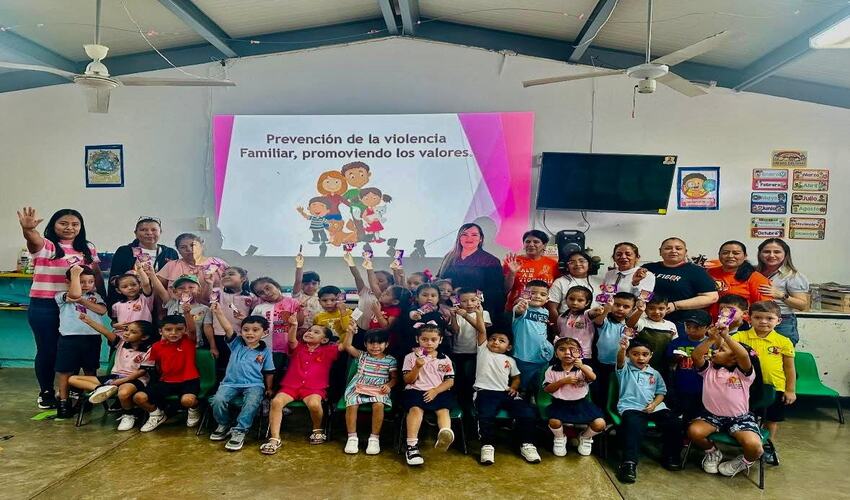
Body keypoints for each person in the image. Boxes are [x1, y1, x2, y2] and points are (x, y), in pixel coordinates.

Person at [18, 206, 103, 409]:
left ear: (81, 227)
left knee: (73, 349)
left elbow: (96, 275)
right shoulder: (47, 245)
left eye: (75, 224)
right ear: (53, 225)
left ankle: (71, 389)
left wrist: (101, 299)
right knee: (48, 349)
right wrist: (28, 230)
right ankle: (46, 391)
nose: (69, 228)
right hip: (45, 305)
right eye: (63, 223)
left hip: (75, 306)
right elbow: (33, 240)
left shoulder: (87, 248)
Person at [688, 324, 764, 478]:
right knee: (694, 432)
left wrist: (727, 337)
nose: (715, 351)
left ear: (734, 357)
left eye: (721, 350)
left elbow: (743, 356)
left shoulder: (744, 374)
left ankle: (744, 462)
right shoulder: (708, 370)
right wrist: (711, 339)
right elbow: (696, 356)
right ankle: (713, 452)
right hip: (712, 416)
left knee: (754, 446)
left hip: (740, 417)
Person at [731, 301, 795, 464]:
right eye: (758, 317)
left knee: (771, 419)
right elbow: (723, 347)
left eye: (769, 318)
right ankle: (748, 443)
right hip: (744, 388)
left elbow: (789, 369)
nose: (763, 321)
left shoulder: (783, 341)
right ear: (749, 319)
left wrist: (790, 390)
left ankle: (767, 445)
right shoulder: (739, 337)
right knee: (746, 416)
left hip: (775, 388)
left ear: (778, 321)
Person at [262, 320, 339, 454]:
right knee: (276, 402)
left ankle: (317, 429)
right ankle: (274, 438)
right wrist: (294, 326)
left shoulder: (329, 351)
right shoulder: (299, 347)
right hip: (291, 386)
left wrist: (349, 331)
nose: (310, 333)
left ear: (325, 339)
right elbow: (291, 340)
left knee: (315, 404)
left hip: (314, 388)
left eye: (316, 332)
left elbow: (345, 345)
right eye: (309, 330)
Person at [209, 306, 275, 452]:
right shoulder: (236, 344)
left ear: (264, 333)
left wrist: (269, 388)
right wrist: (219, 312)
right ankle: (224, 424)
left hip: (254, 385)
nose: (250, 333)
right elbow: (227, 327)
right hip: (230, 383)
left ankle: (239, 431)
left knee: (251, 403)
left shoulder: (265, 351)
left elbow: (269, 372)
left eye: (255, 330)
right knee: (217, 400)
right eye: (246, 329)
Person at [614, 337, 680, 483]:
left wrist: (655, 404)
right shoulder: (624, 369)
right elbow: (619, 360)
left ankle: (670, 456)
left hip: (654, 407)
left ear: (651, 355)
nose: (640, 357)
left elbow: (661, 392)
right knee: (634, 426)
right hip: (631, 406)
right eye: (635, 354)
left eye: (645, 354)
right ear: (629, 355)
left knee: (673, 422)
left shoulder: (655, 373)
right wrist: (623, 349)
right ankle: (628, 464)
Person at [71, 318, 154, 431]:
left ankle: (128, 415)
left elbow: (142, 372)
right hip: (114, 377)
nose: (127, 333)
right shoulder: (121, 343)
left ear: (144, 337)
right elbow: (104, 331)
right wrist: (88, 320)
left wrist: (122, 381)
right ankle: (102, 389)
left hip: (134, 379)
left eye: (133, 332)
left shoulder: (150, 350)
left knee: (123, 393)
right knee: (72, 379)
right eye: (127, 330)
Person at [474, 328, 540, 465]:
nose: (495, 342)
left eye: (501, 341)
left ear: (509, 347)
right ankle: (487, 445)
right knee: (486, 415)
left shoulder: (510, 360)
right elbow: (481, 331)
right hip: (485, 392)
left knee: (527, 412)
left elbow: (516, 377)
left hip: (504, 392)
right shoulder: (483, 352)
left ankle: (527, 444)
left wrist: (514, 387)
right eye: (492, 339)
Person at [54, 265, 108, 418]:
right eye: (82, 281)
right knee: (65, 371)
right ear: (69, 281)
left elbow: (102, 310)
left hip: (92, 338)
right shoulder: (61, 295)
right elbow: (74, 294)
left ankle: (87, 399)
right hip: (69, 339)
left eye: (90, 281)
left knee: (90, 369)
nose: (87, 285)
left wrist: (83, 300)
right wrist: (75, 275)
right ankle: (63, 402)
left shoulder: (96, 296)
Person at [400, 323, 457, 466]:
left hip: (438, 391)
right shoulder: (410, 357)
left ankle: (445, 433)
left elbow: (450, 381)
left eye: (433, 339)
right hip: (415, 390)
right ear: (417, 339)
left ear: (440, 340)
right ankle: (412, 447)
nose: (429, 343)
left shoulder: (444, 359)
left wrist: (435, 391)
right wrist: (417, 367)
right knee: (415, 410)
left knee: (443, 410)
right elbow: (408, 380)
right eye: (424, 339)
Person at [135, 315, 201, 432]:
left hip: (188, 380)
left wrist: (187, 312)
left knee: (187, 401)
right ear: (161, 331)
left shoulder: (188, 341)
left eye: (179, 329)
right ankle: (156, 415)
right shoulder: (156, 346)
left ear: (184, 330)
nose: (174, 333)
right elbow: (158, 366)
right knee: (139, 397)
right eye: (168, 329)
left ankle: (194, 409)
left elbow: (192, 330)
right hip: (166, 381)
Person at [340, 325, 398, 455]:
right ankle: (352, 437)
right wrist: (350, 332)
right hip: (358, 386)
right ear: (366, 344)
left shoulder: (390, 360)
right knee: (352, 403)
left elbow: (394, 378)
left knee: (378, 404)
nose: (375, 346)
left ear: (387, 344)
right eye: (371, 343)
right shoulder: (362, 356)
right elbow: (348, 346)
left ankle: (374, 438)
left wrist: (389, 385)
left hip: (379, 388)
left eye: (379, 343)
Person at [664, 310, 712, 466]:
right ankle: (675, 451)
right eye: (688, 326)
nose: (691, 330)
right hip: (680, 388)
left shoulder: (713, 344)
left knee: (695, 420)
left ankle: (696, 444)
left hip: (703, 391)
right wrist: (675, 358)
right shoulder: (677, 342)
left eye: (696, 327)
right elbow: (668, 362)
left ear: (707, 327)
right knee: (677, 420)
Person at [544, 337, 606, 457]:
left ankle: (585, 437)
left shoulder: (584, 368)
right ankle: (560, 438)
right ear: (556, 354)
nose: (567, 353)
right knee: (554, 421)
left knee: (600, 424)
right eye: (562, 349)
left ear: (579, 353)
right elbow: (547, 389)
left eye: (572, 350)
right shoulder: (551, 370)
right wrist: (563, 381)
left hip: (581, 404)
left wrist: (582, 367)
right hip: (560, 403)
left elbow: (593, 378)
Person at [641, 237, 718, 332]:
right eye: (668, 248)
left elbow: (711, 297)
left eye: (678, 248)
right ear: (660, 251)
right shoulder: (648, 268)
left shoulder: (696, 271)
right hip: (646, 321)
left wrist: (676, 305)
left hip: (681, 323)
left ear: (685, 252)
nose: (673, 251)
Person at [437, 223, 506, 319]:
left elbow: (496, 291)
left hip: (476, 311)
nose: (469, 238)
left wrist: (469, 297)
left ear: (481, 238)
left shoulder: (490, 261)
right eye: (464, 234)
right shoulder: (449, 257)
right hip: (449, 310)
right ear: (459, 238)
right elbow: (439, 281)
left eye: (474, 235)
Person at [107, 217, 178, 305]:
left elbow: (175, 281)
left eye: (154, 230)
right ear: (135, 233)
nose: (149, 233)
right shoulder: (124, 251)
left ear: (160, 232)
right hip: (132, 303)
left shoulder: (170, 252)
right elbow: (114, 278)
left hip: (161, 302)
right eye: (143, 230)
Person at [590, 292, 641, 408]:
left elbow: (632, 324)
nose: (620, 309)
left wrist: (640, 311)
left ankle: (614, 415)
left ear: (632, 309)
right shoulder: (606, 321)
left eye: (626, 306)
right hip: (601, 364)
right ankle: (600, 416)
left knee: (617, 392)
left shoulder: (630, 326)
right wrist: (607, 308)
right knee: (600, 392)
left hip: (621, 365)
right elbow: (598, 321)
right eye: (617, 305)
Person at [756, 238, 810, 345]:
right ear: (760, 254)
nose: (771, 255)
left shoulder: (792, 276)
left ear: (785, 254)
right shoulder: (755, 272)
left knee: (780, 355)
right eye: (766, 252)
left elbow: (803, 305)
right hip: (757, 319)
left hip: (782, 322)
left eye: (777, 252)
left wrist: (781, 295)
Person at [250, 277, 301, 388]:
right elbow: (252, 327)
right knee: (269, 373)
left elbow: (300, 323)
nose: (266, 293)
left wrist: (301, 310)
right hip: (266, 348)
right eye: (261, 293)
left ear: (277, 286)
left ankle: (282, 397)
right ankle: (267, 396)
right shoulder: (259, 308)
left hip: (288, 347)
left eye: (268, 288)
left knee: (287, 375)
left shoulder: (293, 302)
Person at [207, 267, 254, 379]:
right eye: (223, 275)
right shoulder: (217, 292)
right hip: (220, 336)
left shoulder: (251, 297)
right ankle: (222, 388)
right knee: (222, 365)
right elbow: (210, 297)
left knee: (240, 364)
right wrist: (210, 283)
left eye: (231, 274)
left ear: (243, 278)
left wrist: (245, 318)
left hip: (242, 337)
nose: (226, 276)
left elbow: (255, 320)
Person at [449, 287, 492, 410]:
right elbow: (455, 331)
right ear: (458, 301)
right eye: (464, 301)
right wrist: (453, 317)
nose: (469, 304)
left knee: (472, 377)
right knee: (459, 377)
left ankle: (471, 403)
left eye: (473, 300)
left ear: (479, 300)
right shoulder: (458, 313)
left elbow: (481, 329)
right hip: (458, 351)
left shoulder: (484, 313)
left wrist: (467, 316)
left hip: (476, 352)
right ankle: (460, 402)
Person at [707, 241, 772, 318]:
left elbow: (764, 307)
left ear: (745, 256)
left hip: (741, 325)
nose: (730, 256)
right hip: (708, 323)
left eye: (736, 253)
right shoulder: (709, 272)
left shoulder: (756, 279)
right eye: (725, 253)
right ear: (719, 255)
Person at [511, 280, 554, 393]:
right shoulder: (522, 308)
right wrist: (520, 306)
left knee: (538, 385)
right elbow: (518, 310)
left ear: (547, 299)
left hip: (542, 357)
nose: (537, 296)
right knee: (522, 385)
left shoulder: (545, 312)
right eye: (533, 293)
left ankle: (533, 398)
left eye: (543, 294)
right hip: (524, 357)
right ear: (524, 294)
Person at [152, 274, 214, 352]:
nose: (186, 290)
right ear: (175, 291)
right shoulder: (172, 304)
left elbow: (208, 329)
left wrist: (213, 347)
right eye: (181, 288)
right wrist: (151, 273)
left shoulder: (204, 309)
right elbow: (160, 290)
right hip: (170, 347)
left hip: (193, 347)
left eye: (191, 287)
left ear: (199, 290)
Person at [503, 230, 559, 312]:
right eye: (527, 241)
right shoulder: (513, 262)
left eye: (536, 242)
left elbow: (555, 290)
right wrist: (512, 273)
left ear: (544, 245)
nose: (531, 244)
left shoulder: (553, 264)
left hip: (542, 312)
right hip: (515, 309)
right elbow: (505, 289)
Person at [157, 233, 228, 292]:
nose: (189, 249)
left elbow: (235, 285)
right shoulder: (172, 265)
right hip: (180, 308)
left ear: (201, 246)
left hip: (215, 307)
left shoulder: (218, 263)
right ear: (178, 250)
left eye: (193, 245)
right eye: (183, 247)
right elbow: (157, 289)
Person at [628, 295, 677, 372]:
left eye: (661, 308)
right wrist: (639, 311)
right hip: (641, 363)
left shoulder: (671, 325)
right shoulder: (642, 322)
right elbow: (629, 325)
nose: (656, 312)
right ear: (646, 309)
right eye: (651, 308)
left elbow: (675, 344)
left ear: (667, 309)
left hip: (663, 365)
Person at [547, 250, 603, 318]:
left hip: (597, 322)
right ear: (567, 266)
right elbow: (552, 308)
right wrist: (557, 326)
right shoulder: (560, 282)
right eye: (572, 262)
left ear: (589, 263)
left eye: (581, 261)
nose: (577, 264)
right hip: (568, 324)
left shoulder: (599, 281)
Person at [555, 286, 605, 362]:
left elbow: (591, 313)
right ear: (566, 299)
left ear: (587, 302)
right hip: (564, 355)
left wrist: (597, 310)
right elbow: (560, 333)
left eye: (580, 300)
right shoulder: (561, 317)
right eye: (571, 299)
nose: (575, 303)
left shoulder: (586, 316)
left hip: (583, 355)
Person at [403, 283, 449, 358]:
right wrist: (414, 316)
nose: (429, 298)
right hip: (414, 351)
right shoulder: (413, 312)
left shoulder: (439, 315)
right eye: (425, 295)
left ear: (438, 298)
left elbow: (442, 335)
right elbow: (412, 315)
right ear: (417, 297)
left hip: (435, 353)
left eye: (433, 296)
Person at [293, 253, 322, 335]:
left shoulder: (322, 296)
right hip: (301, 330)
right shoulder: (298, 295)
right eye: (306, 284)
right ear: (301, 284)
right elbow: (298, 280)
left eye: (314, 283)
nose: (310, 286)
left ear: (318, 283)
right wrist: (299, 265)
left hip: (318, 330)